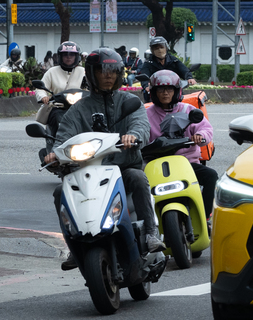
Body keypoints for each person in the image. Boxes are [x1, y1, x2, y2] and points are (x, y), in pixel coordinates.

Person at [44, 48, 165, 271]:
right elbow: (63, 136)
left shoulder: (130, 101)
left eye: (112, 70)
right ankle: (74, 244)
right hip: (88, 171)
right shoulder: (79, 108)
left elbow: (141, 125)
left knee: (138, 178)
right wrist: (54, 153)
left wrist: (134, 136)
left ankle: (150, 233)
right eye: (102, 70)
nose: (107, 75)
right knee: (60, 192)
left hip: (122, 168)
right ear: (91, 74)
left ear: (119, 73)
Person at [145, 70, 218, 235]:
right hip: (157, 165)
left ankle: (204, 218)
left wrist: (200, 136)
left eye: (169, 89)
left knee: (211, 175)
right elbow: (140, 133)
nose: (165, 93)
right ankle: (148, 227)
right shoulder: (146, 114)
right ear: (154, 92)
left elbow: (205, 128)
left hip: (187, 164)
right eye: (161, 89)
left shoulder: (188, 109)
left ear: (176, 90)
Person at [35, 41, 85, 146]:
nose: (68, 57)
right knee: (58, 120)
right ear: (60, 56)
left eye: (71, 54)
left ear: (77, 57)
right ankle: (56, 148)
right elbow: (40, 88)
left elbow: (92, 87)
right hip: (58, 107)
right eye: (65, 54)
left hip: (81, 108)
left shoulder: (84, 72)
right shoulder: (52, 72)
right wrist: (43, 96)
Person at [136, 36, 196, 101]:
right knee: (148, 103)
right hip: (156, 92)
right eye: (156, 48)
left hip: (173, 89)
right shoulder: (148, 63)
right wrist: (146, 86)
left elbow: (183, 69)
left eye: (161, 47)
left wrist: (189, 78)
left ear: (166, 48)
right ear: (152, 50)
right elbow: (144, 75)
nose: (159, 50)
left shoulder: (173, 60)